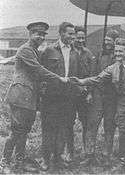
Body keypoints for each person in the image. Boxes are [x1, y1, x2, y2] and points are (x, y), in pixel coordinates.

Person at [70, 38, 125, 173]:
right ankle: (123, 160)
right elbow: (98, 79)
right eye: (116, 51)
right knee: (123, 132)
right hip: (122, 103)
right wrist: (82, 81)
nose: (118, 53)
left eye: (121, 51)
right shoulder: (112, 69)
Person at [0, 22, 68, 173]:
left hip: (29, 98)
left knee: (23, 130)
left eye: (43, 34)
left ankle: (19, 160)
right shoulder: (25, 50)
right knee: (16, 131)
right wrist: (59, 78)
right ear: (30, 34)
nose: (41, 37)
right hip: (21, 96)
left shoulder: (35, 51)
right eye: (38, 33)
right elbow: (38, 70)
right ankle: (4, 162)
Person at [39, 22, 80, 171]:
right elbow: (40, 72)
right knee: (48, 128)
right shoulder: (49, 50)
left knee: (63, 128)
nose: (72, 36)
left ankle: (58, 157)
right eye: (70, 33)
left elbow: (76, 75)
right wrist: (42, 94)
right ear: (61, 33)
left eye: (73, 34)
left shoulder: (75, 52)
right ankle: (45, 159)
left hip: (68, 98)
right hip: (51, 98)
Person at [73, 26, 98, 166]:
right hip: (69, 94)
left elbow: (93, 75)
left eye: (83, 38)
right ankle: (66, 152)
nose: (81, 40)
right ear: (73, 37)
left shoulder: (89, 54)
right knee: (66, 123)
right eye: (78, 37)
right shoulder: (68, 52)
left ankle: (87, 153)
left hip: (84, 94)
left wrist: (89, 92)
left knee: (86, 123)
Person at [95, 30, 119, 166]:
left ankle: (106, 154)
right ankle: (89, 153)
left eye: (110, 40)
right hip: (99, 93)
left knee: (109, 125)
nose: (107, 42)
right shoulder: (99, 54)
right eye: (106, 40)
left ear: (115, 41)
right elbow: (94, 72)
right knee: (93, 123)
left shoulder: (119, 56)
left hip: (112, 96)